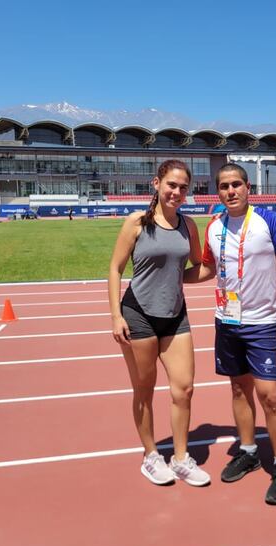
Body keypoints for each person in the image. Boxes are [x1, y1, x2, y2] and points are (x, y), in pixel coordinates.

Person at [186, 163, 276, 505]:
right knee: (238, 389)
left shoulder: (271, 221)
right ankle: (248, 452)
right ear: (217, 191)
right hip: (227, 321)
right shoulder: (215, 225)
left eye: (236, 184)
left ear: (248, 187)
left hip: (263, 323)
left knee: (271, 395)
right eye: (224, 186)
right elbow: (207, 268)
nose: (230, 191)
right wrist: (170, 276)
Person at [108, 159, 210, 487]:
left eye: (183, 187)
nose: (177, 192)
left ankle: (180, 458)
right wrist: (115, 315)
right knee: (144, 390)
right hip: (138, 314)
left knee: (185, 388)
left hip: (175, 314)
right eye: (171, 185)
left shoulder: (188, 226)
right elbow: (115, 269)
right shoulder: (137, 223)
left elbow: (197, 267)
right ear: (156, 183)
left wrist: (221, 264)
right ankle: (151, 456)